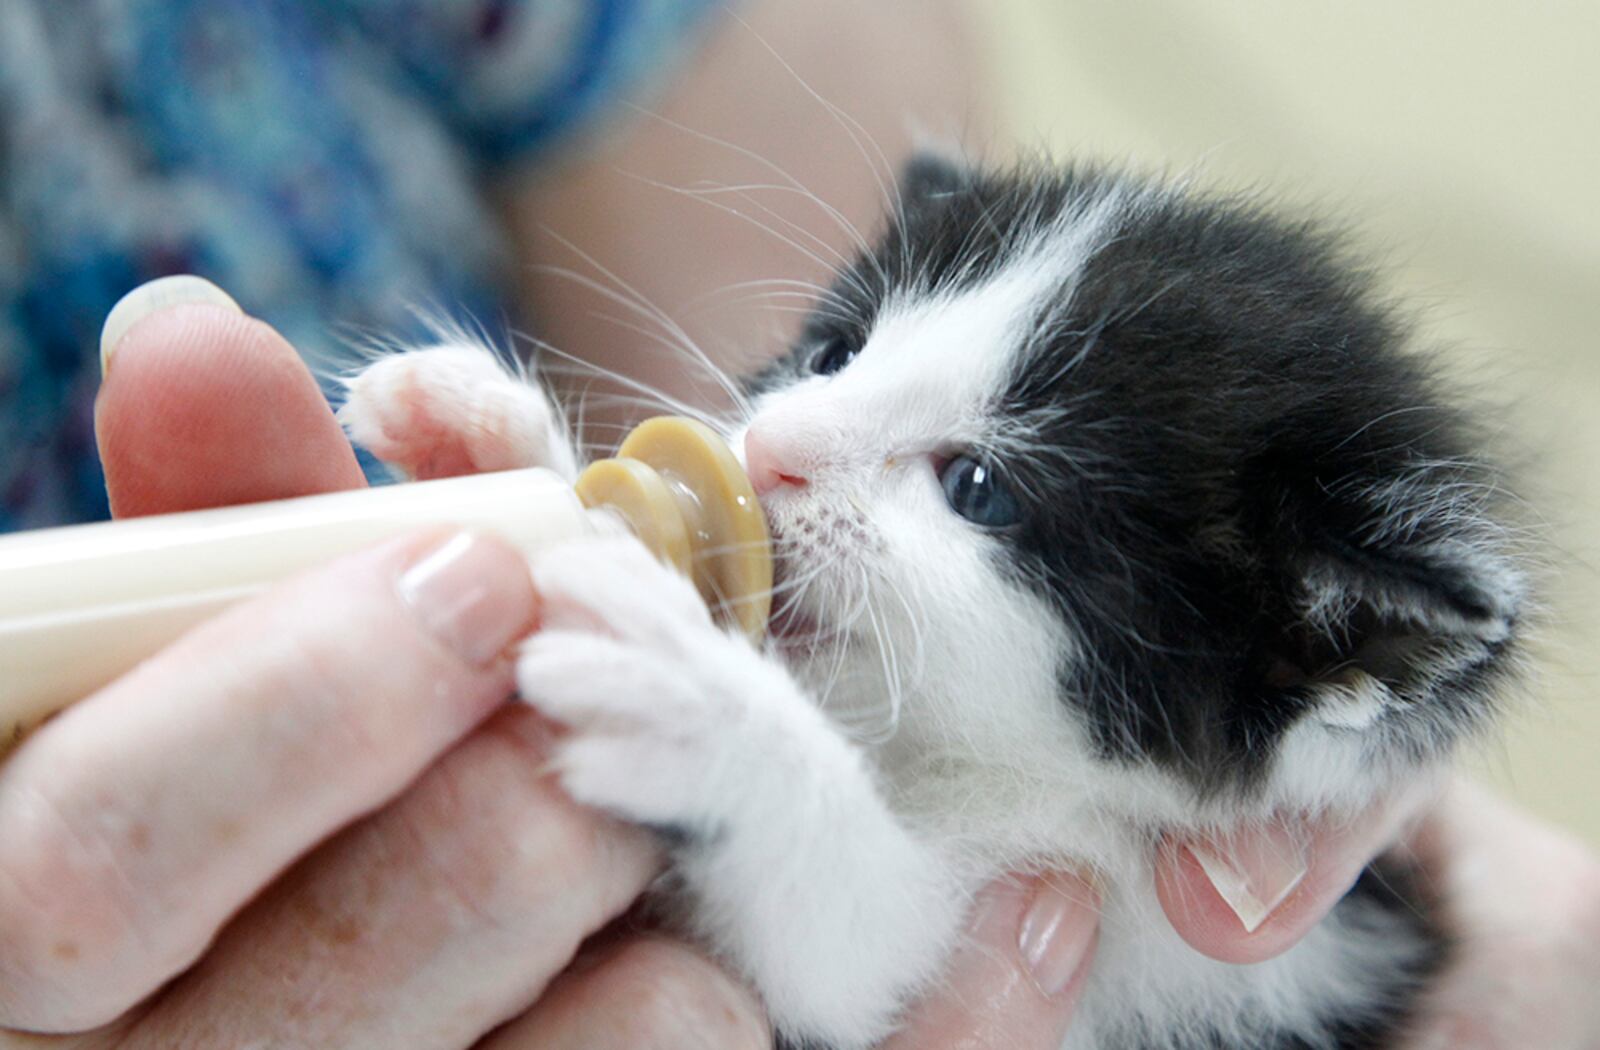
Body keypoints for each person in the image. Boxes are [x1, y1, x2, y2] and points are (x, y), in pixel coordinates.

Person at [2, 2, 1597, 1047]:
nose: (776, 436)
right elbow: (780, 873)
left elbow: (872, 941)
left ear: (1313, 666)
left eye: (976, 487)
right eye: (839, 351)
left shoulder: (1198, 916)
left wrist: (642, 654)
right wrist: (575, 561)